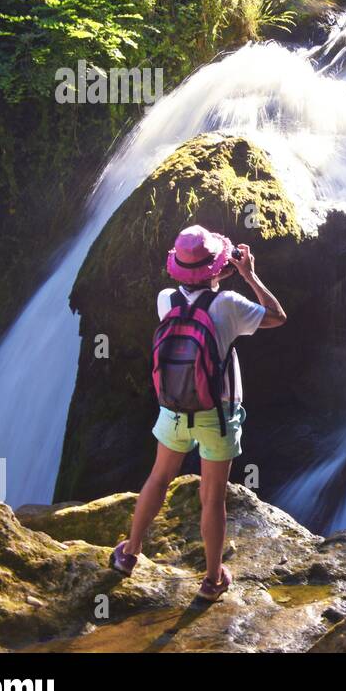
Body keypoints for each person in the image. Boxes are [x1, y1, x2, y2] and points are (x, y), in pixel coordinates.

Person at [109, 224, 286, 601]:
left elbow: (195, 298)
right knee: (213, 497)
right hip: (217, 414)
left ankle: (130, 552)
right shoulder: (229, 305)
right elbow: (277, 316)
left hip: (173, 409)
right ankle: (211, 579)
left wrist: (214, 275)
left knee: (157, 479)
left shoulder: (165, 300)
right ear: (216, 268)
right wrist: (248, 274)